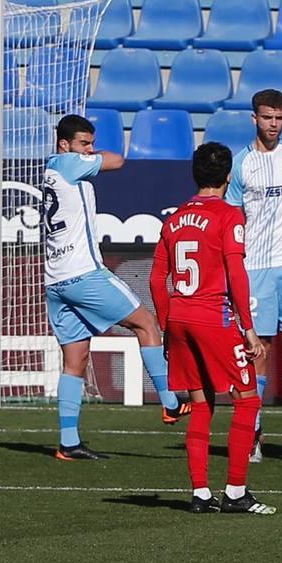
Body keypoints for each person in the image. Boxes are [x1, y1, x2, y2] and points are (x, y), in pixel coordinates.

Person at [44, 114, 189, 461]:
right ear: (64, 145)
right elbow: (118, 160)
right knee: (146, 323)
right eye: (84, 144)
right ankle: (170, 401)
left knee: (75, 360)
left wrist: (87, 151)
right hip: (83, 274)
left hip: (55, 279)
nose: (90, 150)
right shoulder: (67, 163)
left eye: (91, 143)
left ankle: (68, 442)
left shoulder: (53, 168)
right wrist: (93, 154)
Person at [149, 143, 275, 515]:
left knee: (201, 402)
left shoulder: (173, 219)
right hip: (213, 319)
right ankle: (236, 491)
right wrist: (249, 329)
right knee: (247, 398)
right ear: (229, 177)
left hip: (181, 319)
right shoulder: (229, 215)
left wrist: (167, 324)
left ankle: (201, 494)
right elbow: (236, 273)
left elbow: (158, 279)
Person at [228, 89, 282, 464]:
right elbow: (232, 218)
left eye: (279, 118)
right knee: (257, 348)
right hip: (256, 267)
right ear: (254, 119)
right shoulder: (241, 164)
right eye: (267, 118)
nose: (274, 125)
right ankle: (254, 431)